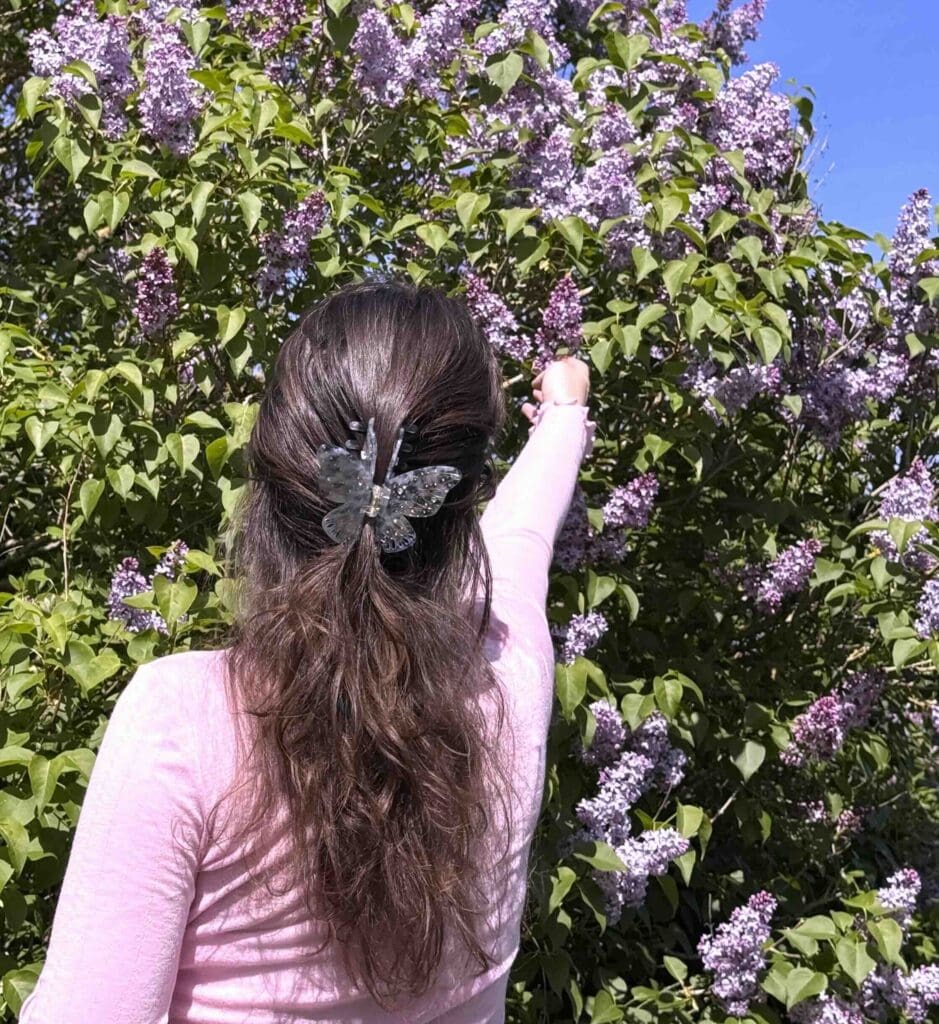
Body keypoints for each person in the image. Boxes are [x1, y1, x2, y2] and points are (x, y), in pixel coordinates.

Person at [19, 279, 594, 1024]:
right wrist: (565, 412)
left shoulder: (182, 719)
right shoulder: (509, 681)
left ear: (270, 471)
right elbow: (521, 537)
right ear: (456, 501)